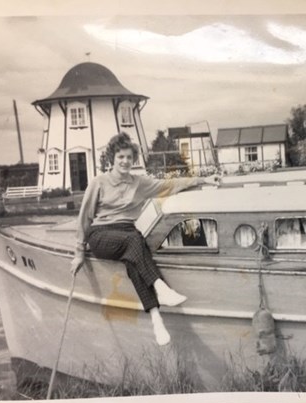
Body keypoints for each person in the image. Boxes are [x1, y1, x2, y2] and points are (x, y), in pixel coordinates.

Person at [70, 132, 220, 345]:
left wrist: (203, 179)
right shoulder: (99, 182)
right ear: (112, 157)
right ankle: (160, 287)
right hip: (101, 234)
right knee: (135, 242)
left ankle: (156, 320)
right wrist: (78, 253)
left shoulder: (139, 183)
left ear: (134, 160)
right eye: (121, 156)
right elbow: (85, 217)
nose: (125, 161)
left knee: (134, 260)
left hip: (127, 232)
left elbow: (169, 184)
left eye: (129, 157)